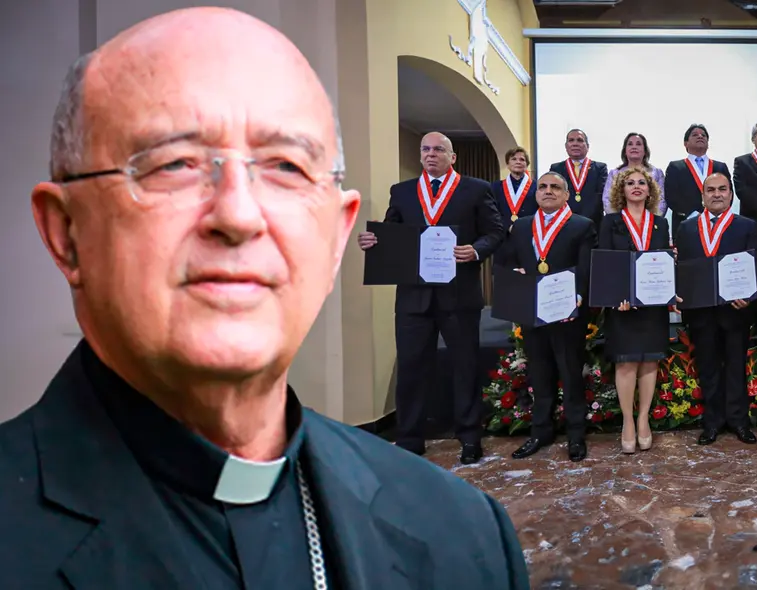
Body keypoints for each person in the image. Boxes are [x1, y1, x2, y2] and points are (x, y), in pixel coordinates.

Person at [0, 8, 529, 589]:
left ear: (334, 235)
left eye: (285, 167)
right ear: (66, 232)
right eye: (173, 164)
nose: (238, 215)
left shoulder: (467, 538)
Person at [357, 131, 504, 464]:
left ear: (453, 157)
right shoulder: (403, 191)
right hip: (413, 297)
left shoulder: (476, 189)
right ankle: (410, 438)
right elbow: (392, 233)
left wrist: (476, 250)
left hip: (459, 295)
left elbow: (495, 232)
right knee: (411, 367)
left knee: (465, 367)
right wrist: (373, 241)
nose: (431, 154)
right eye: (425, 149)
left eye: (439, 149)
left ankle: (469, 437)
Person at [501, 172, 596, 462]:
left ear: (567, 194)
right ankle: (540, 431)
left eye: (555, 187)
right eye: (542, 187)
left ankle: (576, 435)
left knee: (570, 373)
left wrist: (576, 300)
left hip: (567, 314)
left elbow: (586, 268)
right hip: (533, 313)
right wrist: (514, 276)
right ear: (536, 194)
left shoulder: (582, 225)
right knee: (539, 373)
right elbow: (508, 261)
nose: (548, 191)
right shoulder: (521, 227)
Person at [674, 173, 757, 446]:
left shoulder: (745, 226)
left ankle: (738, 421)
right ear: (702, 196)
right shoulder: (686, 228)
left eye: (723, 189)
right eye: (710, 190)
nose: (717, 194)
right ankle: (712, 422)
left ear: (731, 194)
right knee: (708, 366)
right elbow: (682, 268)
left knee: (735, 365)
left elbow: (756, 264)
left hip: (735, 309)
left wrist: (749, 294)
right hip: (700, 310)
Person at [599, 167, 672, 453]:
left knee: (650, 361)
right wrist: (617, 296)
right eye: (630, 183)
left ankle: (644, 419)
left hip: (652, 305)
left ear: (651, 190)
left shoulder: (660, 223)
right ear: (622, 190)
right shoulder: (610, 222)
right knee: (626, 362)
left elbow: (663, 262)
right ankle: (628, 421)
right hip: (622, 305)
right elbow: (606, 262)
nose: (637, 186)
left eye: (642, 182)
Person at [663, 124, 732, 239]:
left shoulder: (720, 167)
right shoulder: (676, 167)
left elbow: (729, 193)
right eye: (695, 135)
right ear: (685, 143)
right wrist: (694, 215)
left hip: (718, 222)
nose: (700, 136)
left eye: (703, 135)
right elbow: (671, 196)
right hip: (686, 224)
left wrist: (715, 214)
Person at [548, 129, 609, 230]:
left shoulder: (600, 168)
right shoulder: (556, 168)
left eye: (580, 140)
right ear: (566, 146)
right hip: (564, 224)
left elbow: (600, 196)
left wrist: (583, 221)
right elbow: (555, 196)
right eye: (571, 140)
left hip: (593, 225)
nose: (575, 144)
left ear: (587, 146)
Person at [601, 132, 666, 216]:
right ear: (625, 151)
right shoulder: (615, 173)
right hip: (619, 224)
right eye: (630, 144)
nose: (634, 147)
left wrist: (651, 220)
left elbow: (662, 201)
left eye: (638, 144)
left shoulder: (656, 173)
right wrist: (619, 220)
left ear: (645, 151)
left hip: (650, 223)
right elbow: (607, 201)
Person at [492, 146, 537, 231]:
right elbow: (493, 212)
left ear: (527, 165)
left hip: (529, 231)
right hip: (503, 233)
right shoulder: (496, 187)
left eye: (522, 159)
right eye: (514, 159)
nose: (518, 162)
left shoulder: (537, 186)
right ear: (508, 164)